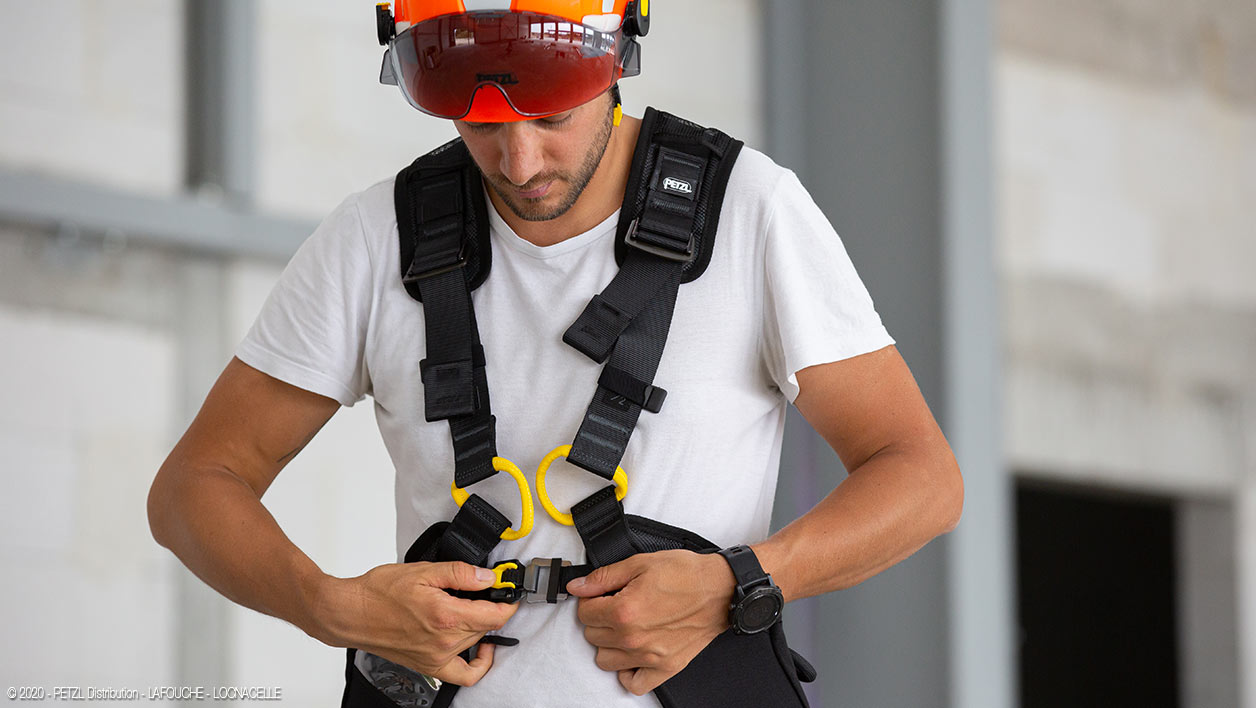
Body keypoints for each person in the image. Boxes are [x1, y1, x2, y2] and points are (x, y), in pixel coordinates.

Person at [147, 1, 963, 706]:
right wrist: (333, 607)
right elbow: (193, 487)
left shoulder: (750, 213)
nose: (520, 165)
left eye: (552, 116)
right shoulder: (375, 239)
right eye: (482, 126)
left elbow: (921, 476)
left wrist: (740, 581)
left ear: (618, 58)